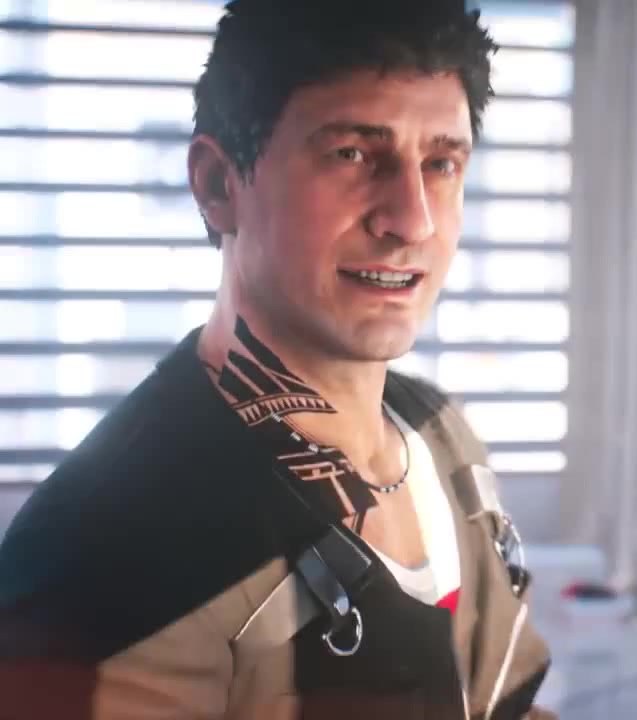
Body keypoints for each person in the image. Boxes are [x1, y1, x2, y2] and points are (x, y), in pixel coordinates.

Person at [0, 1, 556, 718]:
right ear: (217, 185)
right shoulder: (111, 549)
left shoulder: (442, 437)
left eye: (441, 163)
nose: (412, 220)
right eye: (352, 154)